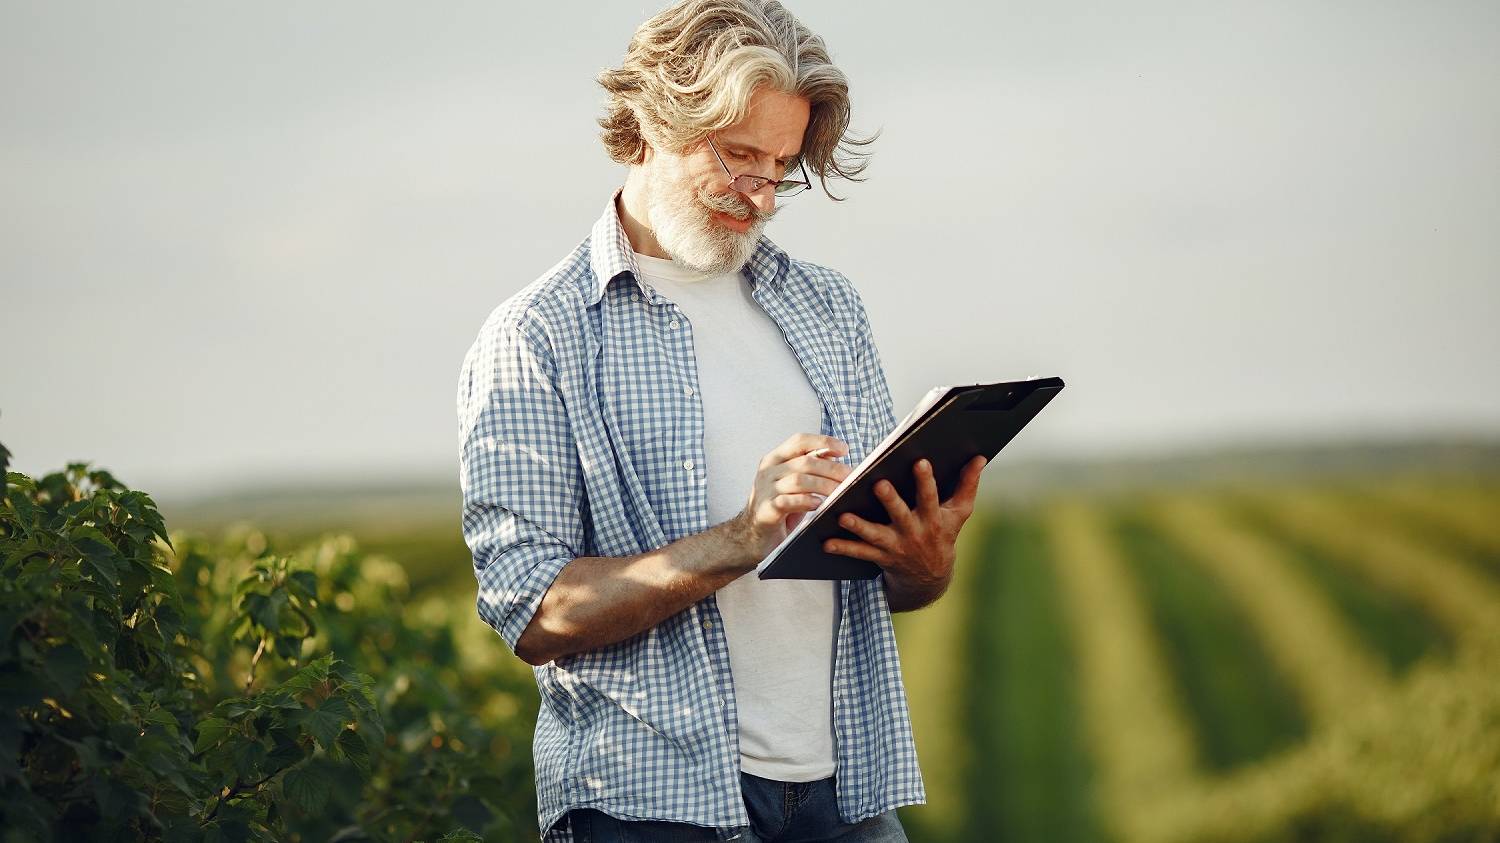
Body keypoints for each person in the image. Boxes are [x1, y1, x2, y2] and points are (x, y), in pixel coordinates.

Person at [456, 1, 988, 840]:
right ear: (647, 123)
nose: (759, 195)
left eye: (780, 168)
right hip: (650, 806)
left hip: (846, 797)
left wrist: (924, 560)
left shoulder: (827, 307)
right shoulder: (537, 336)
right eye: (738, 156)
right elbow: (533, 613)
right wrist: (741, 537)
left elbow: (897, 586)